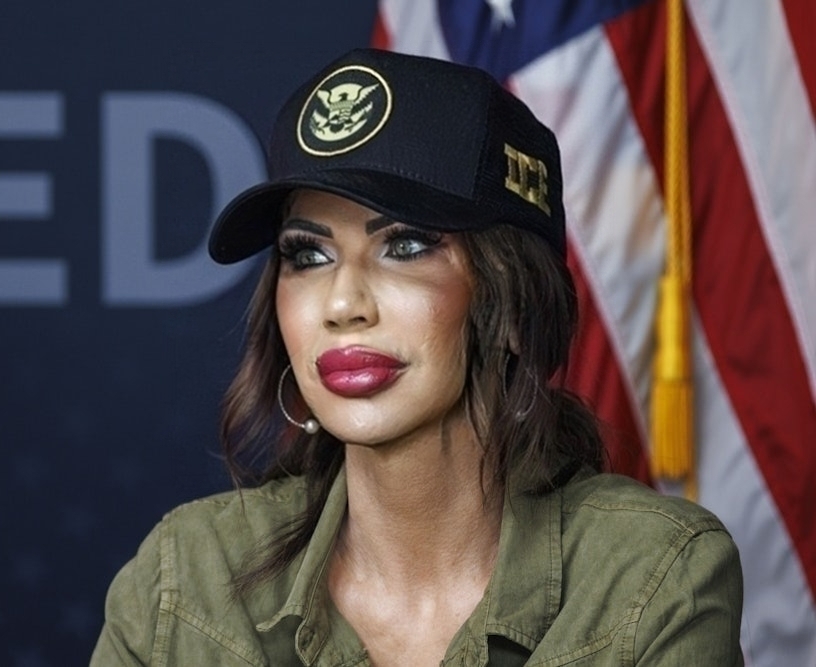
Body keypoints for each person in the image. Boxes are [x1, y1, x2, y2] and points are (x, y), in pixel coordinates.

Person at [90, 48, 743, 666]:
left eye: (404, 247)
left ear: (512, 300)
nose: (342, 303)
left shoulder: (656, 574)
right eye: (308, 254)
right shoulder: (183, 578)